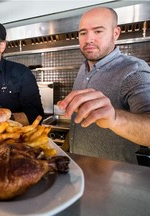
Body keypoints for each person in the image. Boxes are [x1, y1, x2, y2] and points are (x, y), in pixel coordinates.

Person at [57, 7, 150, 164]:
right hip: (79, 171)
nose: (88, 39)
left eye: (98, 31)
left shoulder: (134, 70)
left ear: (115, 33)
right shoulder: (84, 68)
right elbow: (77, 125)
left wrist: (114, 118)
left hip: (114, 181)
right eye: (83, 33)